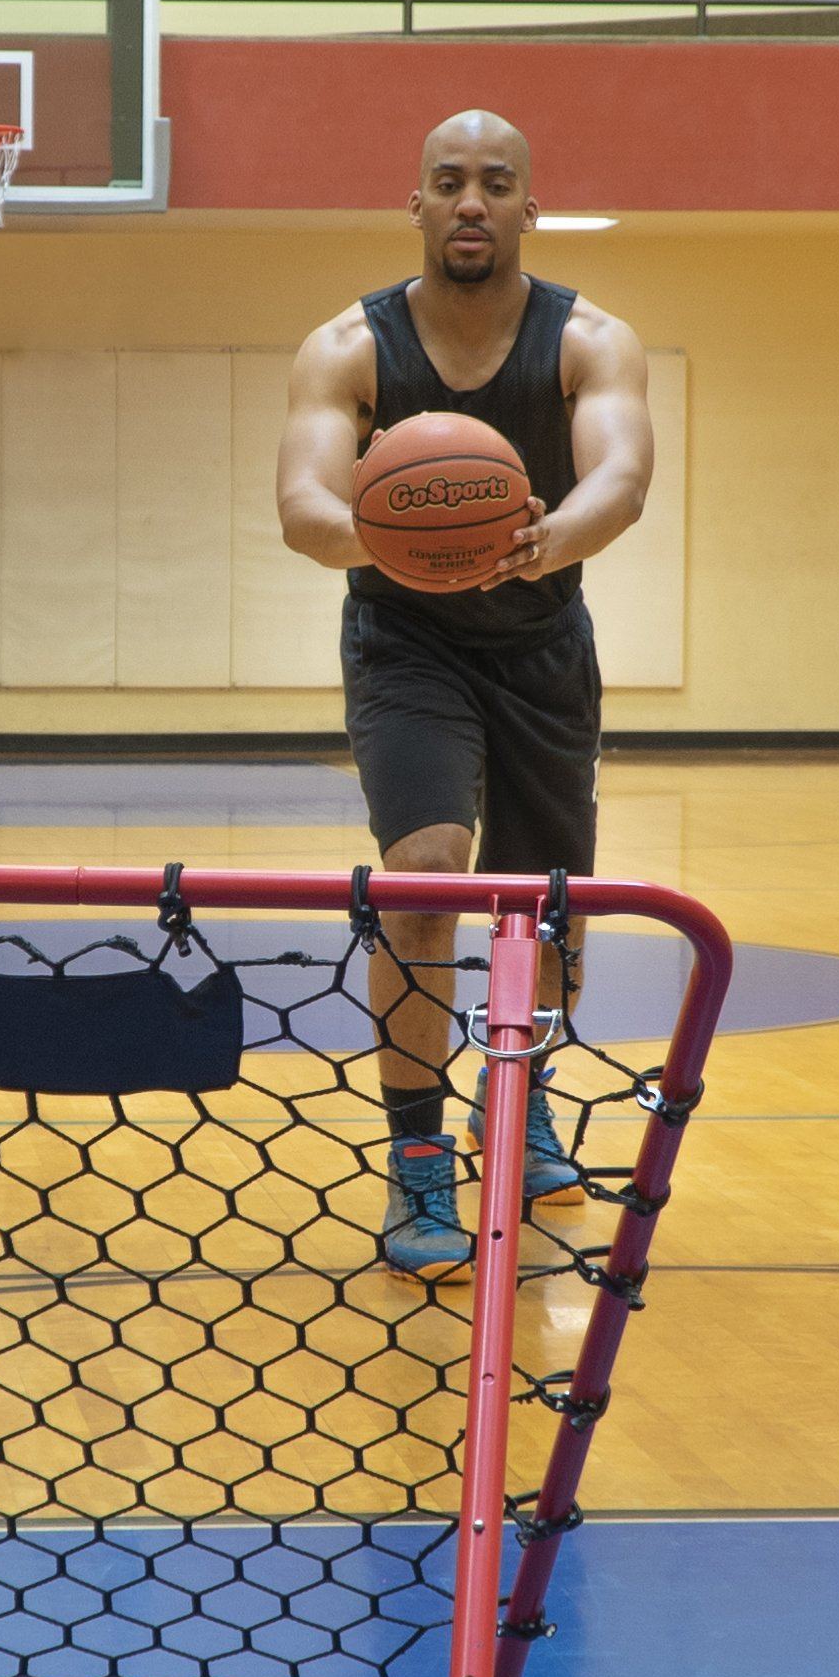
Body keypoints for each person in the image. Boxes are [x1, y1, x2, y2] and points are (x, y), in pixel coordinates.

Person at [275, 110, 655, 1279]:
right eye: (449, 182)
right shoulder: (348, 347)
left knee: (547, 906)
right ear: (418, 205)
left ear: (529, 204)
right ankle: (418, 1160)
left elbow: (622, 477)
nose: (472, 201)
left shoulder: (589, 339)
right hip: (407, 639)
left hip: (540, 635)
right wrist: (385, 547)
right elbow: (302, 506)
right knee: (429, 872)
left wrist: (540, 542)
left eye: (497, 182)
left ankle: (522, 1101)